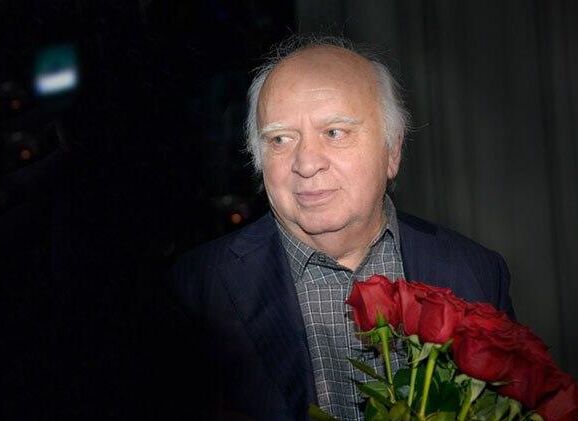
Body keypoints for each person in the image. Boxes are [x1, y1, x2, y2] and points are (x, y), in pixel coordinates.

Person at [171, 36, 515, 420]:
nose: (306, 163)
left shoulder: (475, 272)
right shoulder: (199, 289)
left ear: (392, 150)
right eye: (280, 139)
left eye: (334, 132)